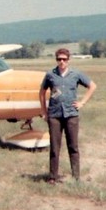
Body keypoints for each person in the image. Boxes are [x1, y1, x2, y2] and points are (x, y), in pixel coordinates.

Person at [40, 48, 96, 184]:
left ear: (68, 60)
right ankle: (53, 177)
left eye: (64, 59)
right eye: (59, 59)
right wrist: (43, 111)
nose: (62, 62)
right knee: (54, 147)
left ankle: (76, 177)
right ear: (56, 60)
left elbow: (92, 86)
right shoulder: (50, 75)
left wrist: (82, 102)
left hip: (71, 115)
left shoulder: (75, 74)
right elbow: (42, 92)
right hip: (54, 115)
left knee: (73, 146)